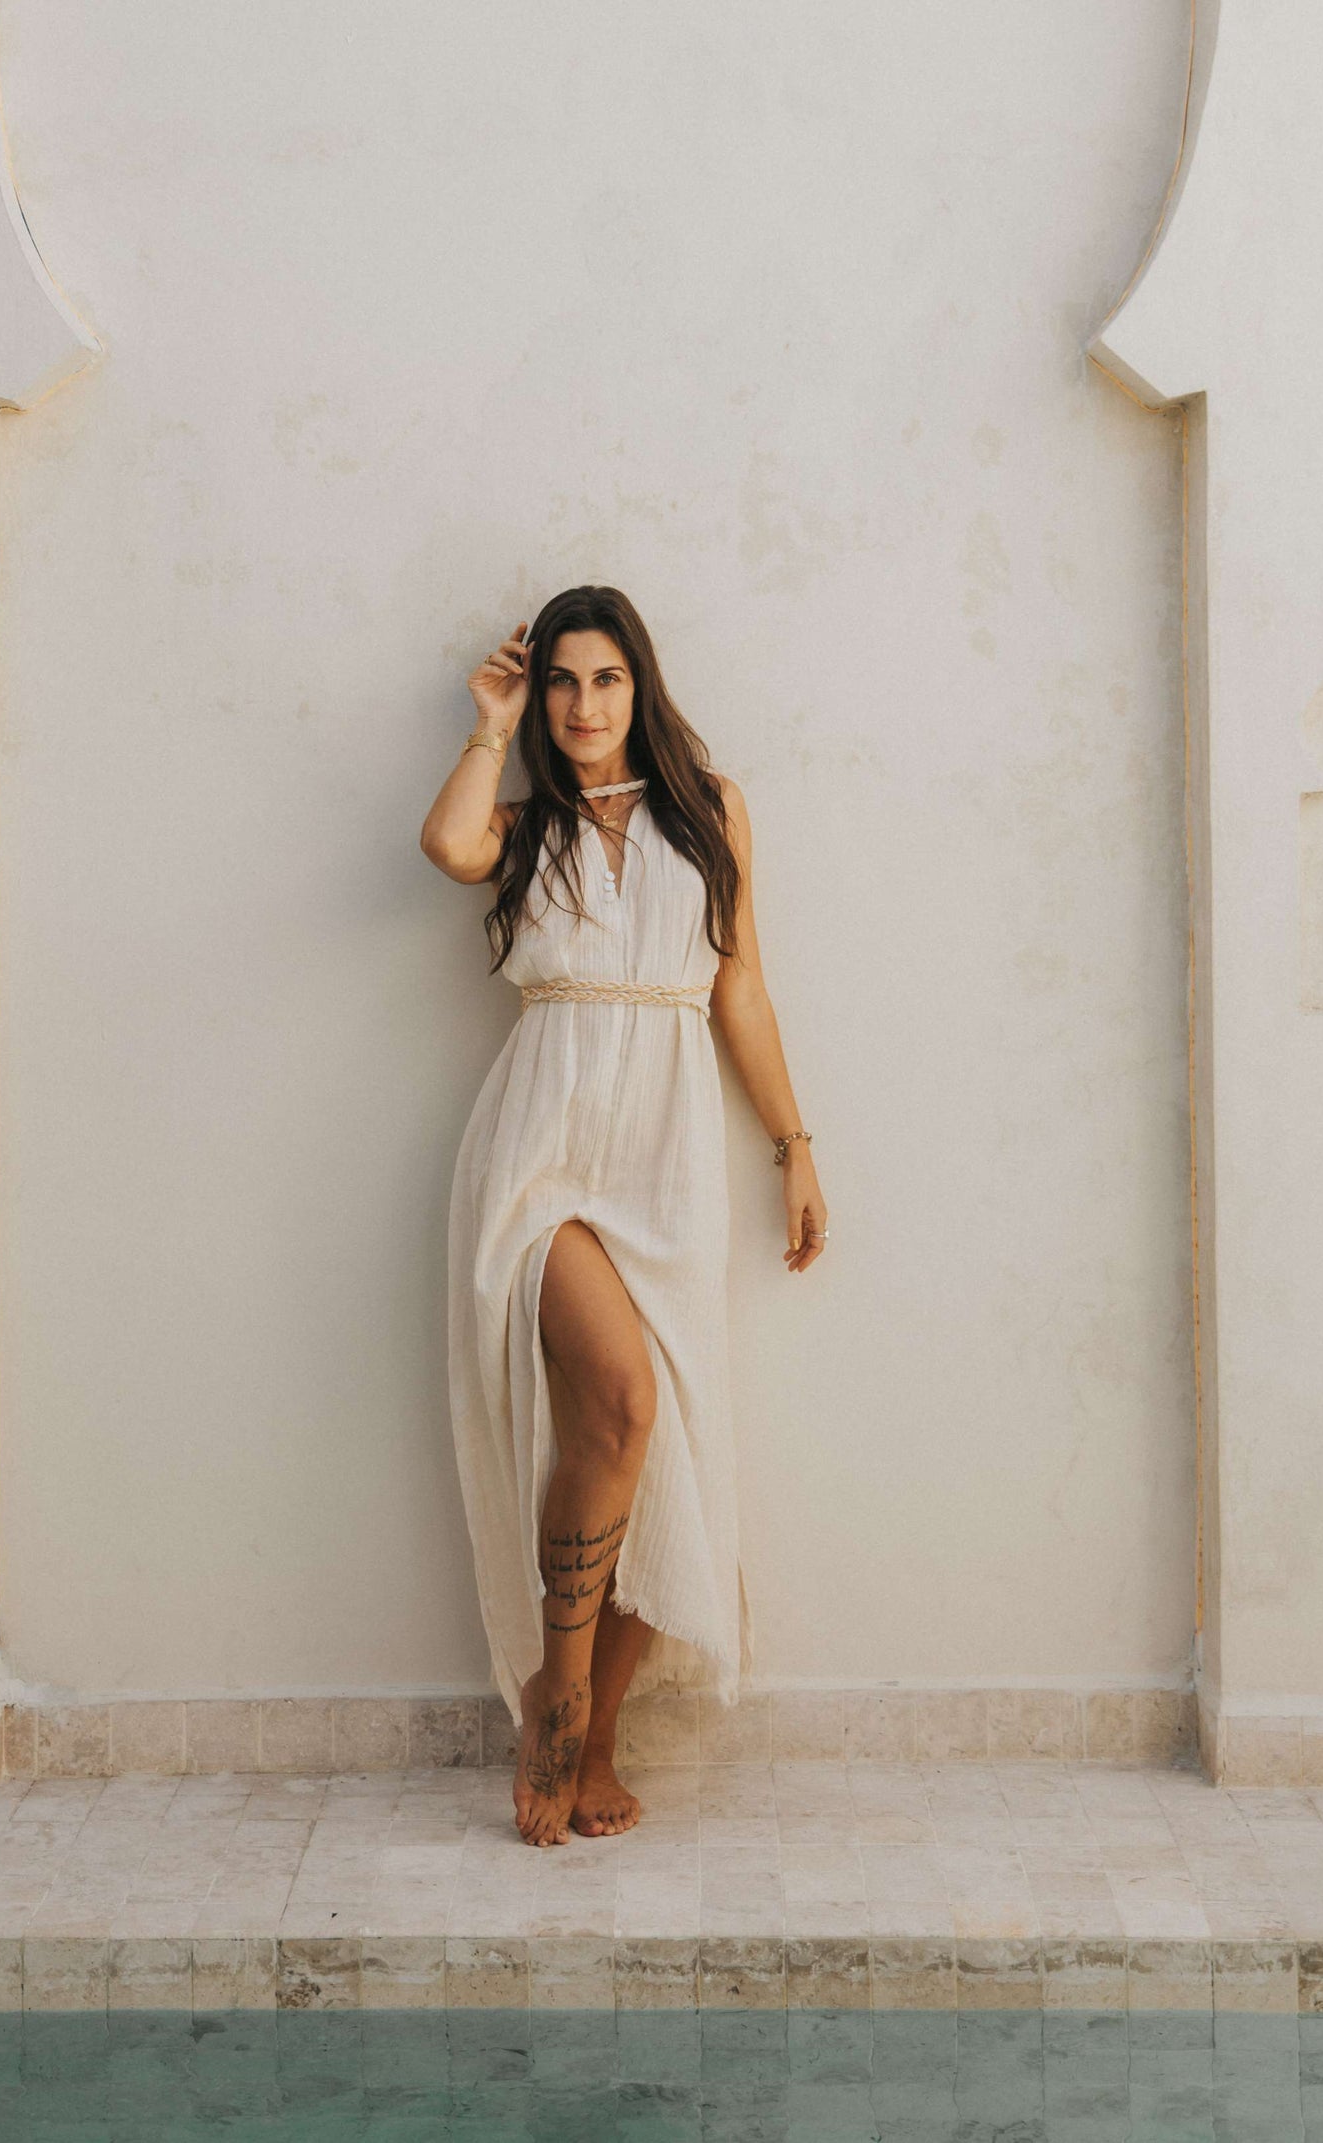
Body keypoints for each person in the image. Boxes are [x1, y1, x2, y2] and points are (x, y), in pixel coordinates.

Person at [421, 585, 828, 1847]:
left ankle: (594, 1734)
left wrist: (792, 1145)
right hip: (537, 1149)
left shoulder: (709, 813)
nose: (582, 705)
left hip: (666, 1158)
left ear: (639, 687)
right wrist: (486, 720)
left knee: (669, 1451)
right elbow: (444, 848)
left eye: (605, 679)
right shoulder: (520, 821)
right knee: (623, 1397)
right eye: (559, 681)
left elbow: (739, 989)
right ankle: (550, 1713)